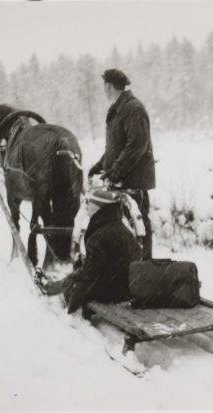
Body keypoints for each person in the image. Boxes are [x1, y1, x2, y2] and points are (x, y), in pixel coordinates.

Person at [88, 69, 155, 260]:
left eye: (104, 85)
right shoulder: (119, 108)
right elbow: (116, 147)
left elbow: (137, 144)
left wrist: (116, 171)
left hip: (134, 181)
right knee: (127, 231)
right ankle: (131, 272)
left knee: (139, 229)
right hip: (123, 180)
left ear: (109, 86)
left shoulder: (132, 108)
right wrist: (99, 166)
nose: (103, 89)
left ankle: (144, 272)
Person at [40, 189, 142, 314]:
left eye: (90, 205)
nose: (87, 208)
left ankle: (51, 288)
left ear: (97, 208)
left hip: (112, 292)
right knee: (80, 272)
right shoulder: (121, 228)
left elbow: (90, 273)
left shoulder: (99, 235)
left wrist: (72, 287)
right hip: (128, 289)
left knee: (73, 285)